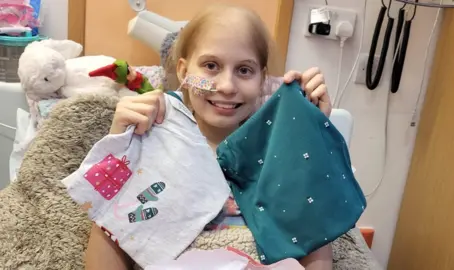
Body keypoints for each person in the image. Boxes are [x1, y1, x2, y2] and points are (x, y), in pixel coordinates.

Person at [85, 4, 333, 270]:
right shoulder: (152, 142)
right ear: (183, 71)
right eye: (211, 66)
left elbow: (312, 240)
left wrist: (311, 135)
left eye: (244, 70)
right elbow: (111, 238)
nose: (226, 86)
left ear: (262, 79)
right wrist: (119, 152)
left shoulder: (277, 155)